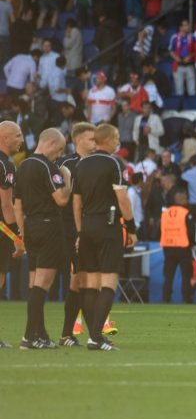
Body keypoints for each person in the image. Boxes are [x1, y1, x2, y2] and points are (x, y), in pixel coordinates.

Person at [73, 124, 138, 351]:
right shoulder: (114, 163)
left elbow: (76, 203)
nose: (118, 142)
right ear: (108, 140)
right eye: (117, 137)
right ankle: (95, 338)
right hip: (108, 225)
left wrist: (80, 231)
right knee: (108, 282)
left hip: (87, 225)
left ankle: (94, 336)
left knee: (90, 285)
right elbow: (123, 199)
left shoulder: (81, 164)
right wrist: (131, 227)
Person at [15, 128, 71, 349]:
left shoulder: (23, 166)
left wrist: (22, 233)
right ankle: (30, 336)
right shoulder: (47, 166)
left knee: (34, 284)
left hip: (30, 227)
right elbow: (61, 200)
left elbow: (17, 206)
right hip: (49, 226)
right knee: (43, 285)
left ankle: (40, 334)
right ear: (49, 143)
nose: (59, 155)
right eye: (58, 150)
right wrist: (66, 177)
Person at [57, 122, 97, 346]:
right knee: (82, 280)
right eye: (91, 139)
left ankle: (67, 334)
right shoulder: (65, 164)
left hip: (90, 229)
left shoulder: (98, 163)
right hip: (69, 231)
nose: (95, 142)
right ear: (78, 140)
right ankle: (93, 335)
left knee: (77, 281)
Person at [0, 121, 24, 348]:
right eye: (17, 136)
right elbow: (6, 206)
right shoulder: (5, 165)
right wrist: (18, 237)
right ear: (5, 138)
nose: (21, 140)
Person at [160, 190, 195, 304]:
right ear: (182, 200)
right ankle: (186, 298)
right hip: (183, 247)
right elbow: (191, 231)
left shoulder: (165, 213)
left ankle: (166, 298)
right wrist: (192, 243)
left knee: (168, 275)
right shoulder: (185, 212)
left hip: (168, 246)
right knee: (186, 275)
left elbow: (160, 229)